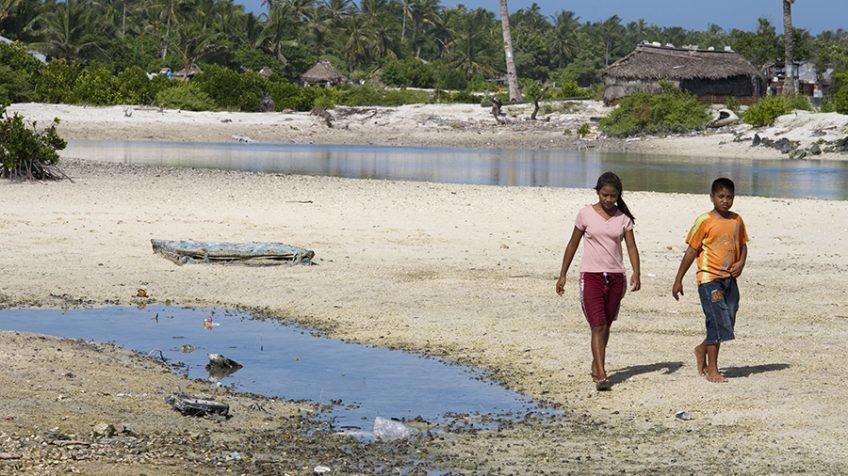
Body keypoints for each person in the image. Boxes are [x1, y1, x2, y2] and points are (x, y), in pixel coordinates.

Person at [556, 172, 641, 391]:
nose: (608, 200)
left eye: (613, 196)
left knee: (607, 324)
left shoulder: (624, 219)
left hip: (615, 277)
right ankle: (601, 374)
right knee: (598, 324)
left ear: (618, 195)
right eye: (605, 195)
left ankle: (597, 363)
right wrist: (563, 274)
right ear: (598, 192)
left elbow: (631, 247)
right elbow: (572, 244)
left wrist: (636, 272)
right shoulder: (585, 214)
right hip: (591, 276)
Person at [672, 177, 748, 383]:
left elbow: (743, 245)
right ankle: (712, 369)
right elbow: (691, 251)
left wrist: (741, 263)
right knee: (716, 322)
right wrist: (678, 279)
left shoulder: (737, 220)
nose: (725, 200)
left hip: (729, 279)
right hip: (709, 279)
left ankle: (701, 349)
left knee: (728, 320)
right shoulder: (704, 221)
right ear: (712, 197)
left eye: (729, 197)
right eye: (721, 196)